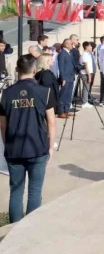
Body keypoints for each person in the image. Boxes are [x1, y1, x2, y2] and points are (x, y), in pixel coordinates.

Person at [0, 54, 56, 223]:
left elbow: (3, 125)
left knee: (16, 191)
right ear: (34, 70)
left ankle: (14, 229)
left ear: (17, 70)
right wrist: (50, 147)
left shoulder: (6, 94)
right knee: (35, 190)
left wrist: (7, 144)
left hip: (14, 148)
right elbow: (51, 123)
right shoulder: (44, 92)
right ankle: (30, 229)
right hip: (37, 147)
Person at [56, 39, 75, 119]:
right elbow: (61, 67)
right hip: (65, 77)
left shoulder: (69, 53)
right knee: (63, 95)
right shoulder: (62, 53)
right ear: (66, 45)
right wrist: (63, 78)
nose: (72, 45)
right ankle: (61, 111)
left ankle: (66, 110)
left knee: (68, 95)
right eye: (71, 44)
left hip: (71, 77)